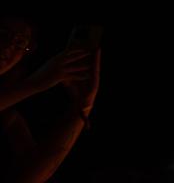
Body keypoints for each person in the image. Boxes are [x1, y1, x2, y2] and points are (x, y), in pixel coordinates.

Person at [0, 17, 101, 183]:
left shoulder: (8, 117)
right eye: (2, 33)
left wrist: (83, 105)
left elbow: (33, 175)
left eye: (20, 43)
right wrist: (37, 82)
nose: (9, 45)